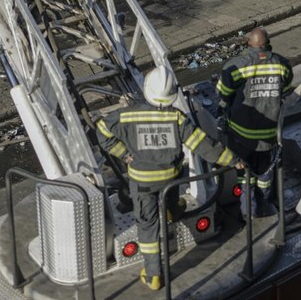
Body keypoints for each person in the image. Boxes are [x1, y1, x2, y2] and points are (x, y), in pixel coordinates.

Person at [97, 68, 244, 290]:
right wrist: (232, 159)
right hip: (170, 180)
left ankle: (154, 274)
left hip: (143, 183)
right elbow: (202, 144)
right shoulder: (177, 117)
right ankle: (172, 210)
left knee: (147, 226)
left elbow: (102, 132)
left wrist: (122, 153)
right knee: (171, 199)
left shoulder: (125, 116)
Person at [216, 27, 294, 216]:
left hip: (242, 136)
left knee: (245, 177)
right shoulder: (281, 64)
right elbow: (287, 88)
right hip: (269, 136)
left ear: (249, 44)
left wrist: (224, 111)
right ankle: (264, 205)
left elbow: (223, 94)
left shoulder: (237, 66)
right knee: (265, 175)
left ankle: (248, 212)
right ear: (267, 44)